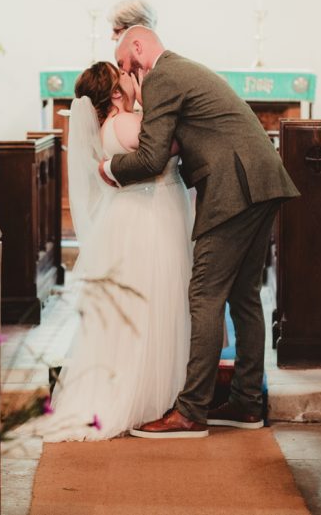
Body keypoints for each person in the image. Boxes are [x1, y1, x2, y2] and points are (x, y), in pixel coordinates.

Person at [100, 26, 299, 439]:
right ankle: (246, 404)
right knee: (244, 296)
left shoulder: (162, 76)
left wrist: (109, 169)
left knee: (205, 294)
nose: (125, 73)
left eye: (123, 62)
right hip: (261, 180)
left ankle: (190, 411)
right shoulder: (180, 70)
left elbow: (152, 157)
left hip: (235, 187)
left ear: (138, 47)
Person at [35, 61, 193, 441]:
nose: (132, 75)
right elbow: (169, 144)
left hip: (140, 214)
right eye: (123, 75)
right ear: (117, 93)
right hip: (148, 217)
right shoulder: (124, 123)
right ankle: (148, 397)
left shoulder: (116, 123)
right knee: (156, 300)